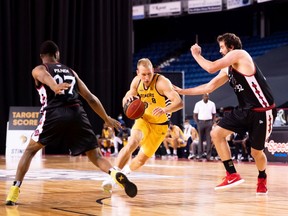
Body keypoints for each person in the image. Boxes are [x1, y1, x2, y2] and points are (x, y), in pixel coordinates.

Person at [5, 40, 137, 206]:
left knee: (30, 151)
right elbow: (90, 97)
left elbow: (44, 76)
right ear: (57, 54)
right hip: (77, 113)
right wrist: (106, 118)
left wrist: (54, 86)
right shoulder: (71, 71)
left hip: (54, 113)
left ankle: (13, 193)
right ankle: (114, 173)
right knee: (95, 156)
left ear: (41, 57)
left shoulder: (39, 68)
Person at [174, 33, 276, 194]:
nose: (220, 51)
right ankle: (232, 173)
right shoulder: (227, 68)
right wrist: (181, 91)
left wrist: (196, 54)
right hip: (244, 110)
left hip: (262, 111)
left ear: (231, 47)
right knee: (216, 133)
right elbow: (208, 87)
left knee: (256, 152)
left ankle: (262, 177)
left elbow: (210, 67)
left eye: (222, 47)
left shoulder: (240, 55)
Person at [102, 57, 183, 191]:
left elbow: (179, 103)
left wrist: (165, 109)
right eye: (143, 74)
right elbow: (128, 96)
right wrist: (126, 101)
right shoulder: (136, 82)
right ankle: (113, 177)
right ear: (138, 73)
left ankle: (125, 173)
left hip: (160, 125)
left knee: (141, 160)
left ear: (153, 71)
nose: (146, 78)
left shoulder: (162, 82)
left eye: (149, 74)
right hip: (143, 119)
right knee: (132, 142)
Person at [193, 93, 216, 160]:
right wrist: (197, 123)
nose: (206, 97)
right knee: (200, 139)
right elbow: (195, 114)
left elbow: (214, 114)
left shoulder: (212, 104)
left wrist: (212, 122)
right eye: (205, 96)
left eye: (208, 96)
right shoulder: (198, 104)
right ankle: (200, 155)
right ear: (202, 96)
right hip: (201, 122)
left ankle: (208, 156)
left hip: (209, 122)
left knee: (209, 139)